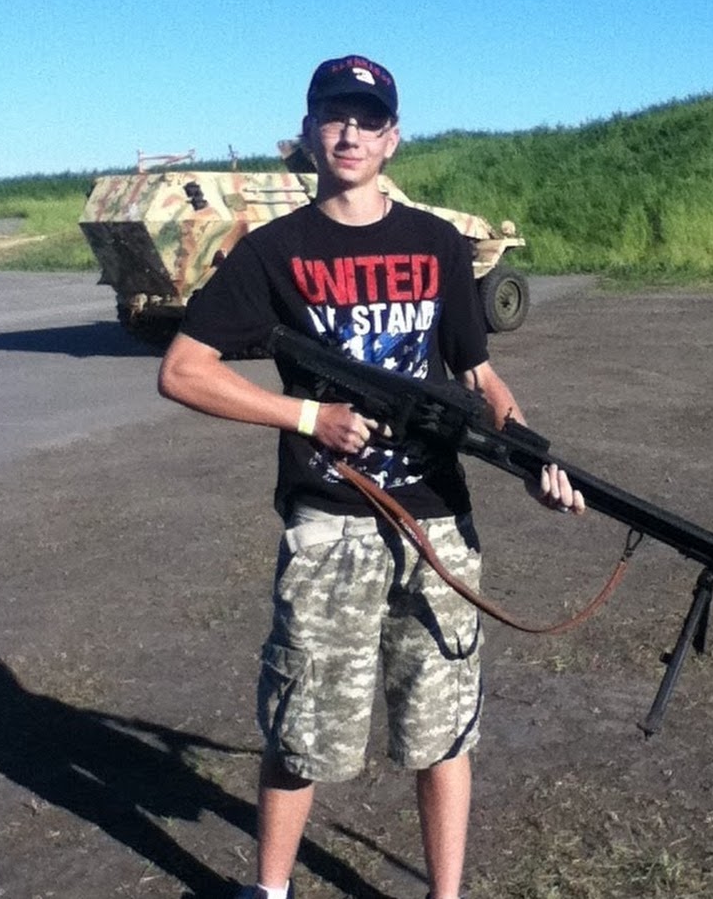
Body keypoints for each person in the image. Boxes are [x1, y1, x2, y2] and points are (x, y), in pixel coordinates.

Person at [158, 54, 585, 899]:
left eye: (368, 119)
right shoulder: (273, 253)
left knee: (443, 730)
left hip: (436, 526)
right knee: (302, 729)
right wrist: (307, 418)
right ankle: (269, 891)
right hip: (330, 524)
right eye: (334, 115)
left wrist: (534, 455)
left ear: (393, 138)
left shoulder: (437, 243)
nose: (350, 133)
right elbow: (183, 370)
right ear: (309, 131)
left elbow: (478, 374)